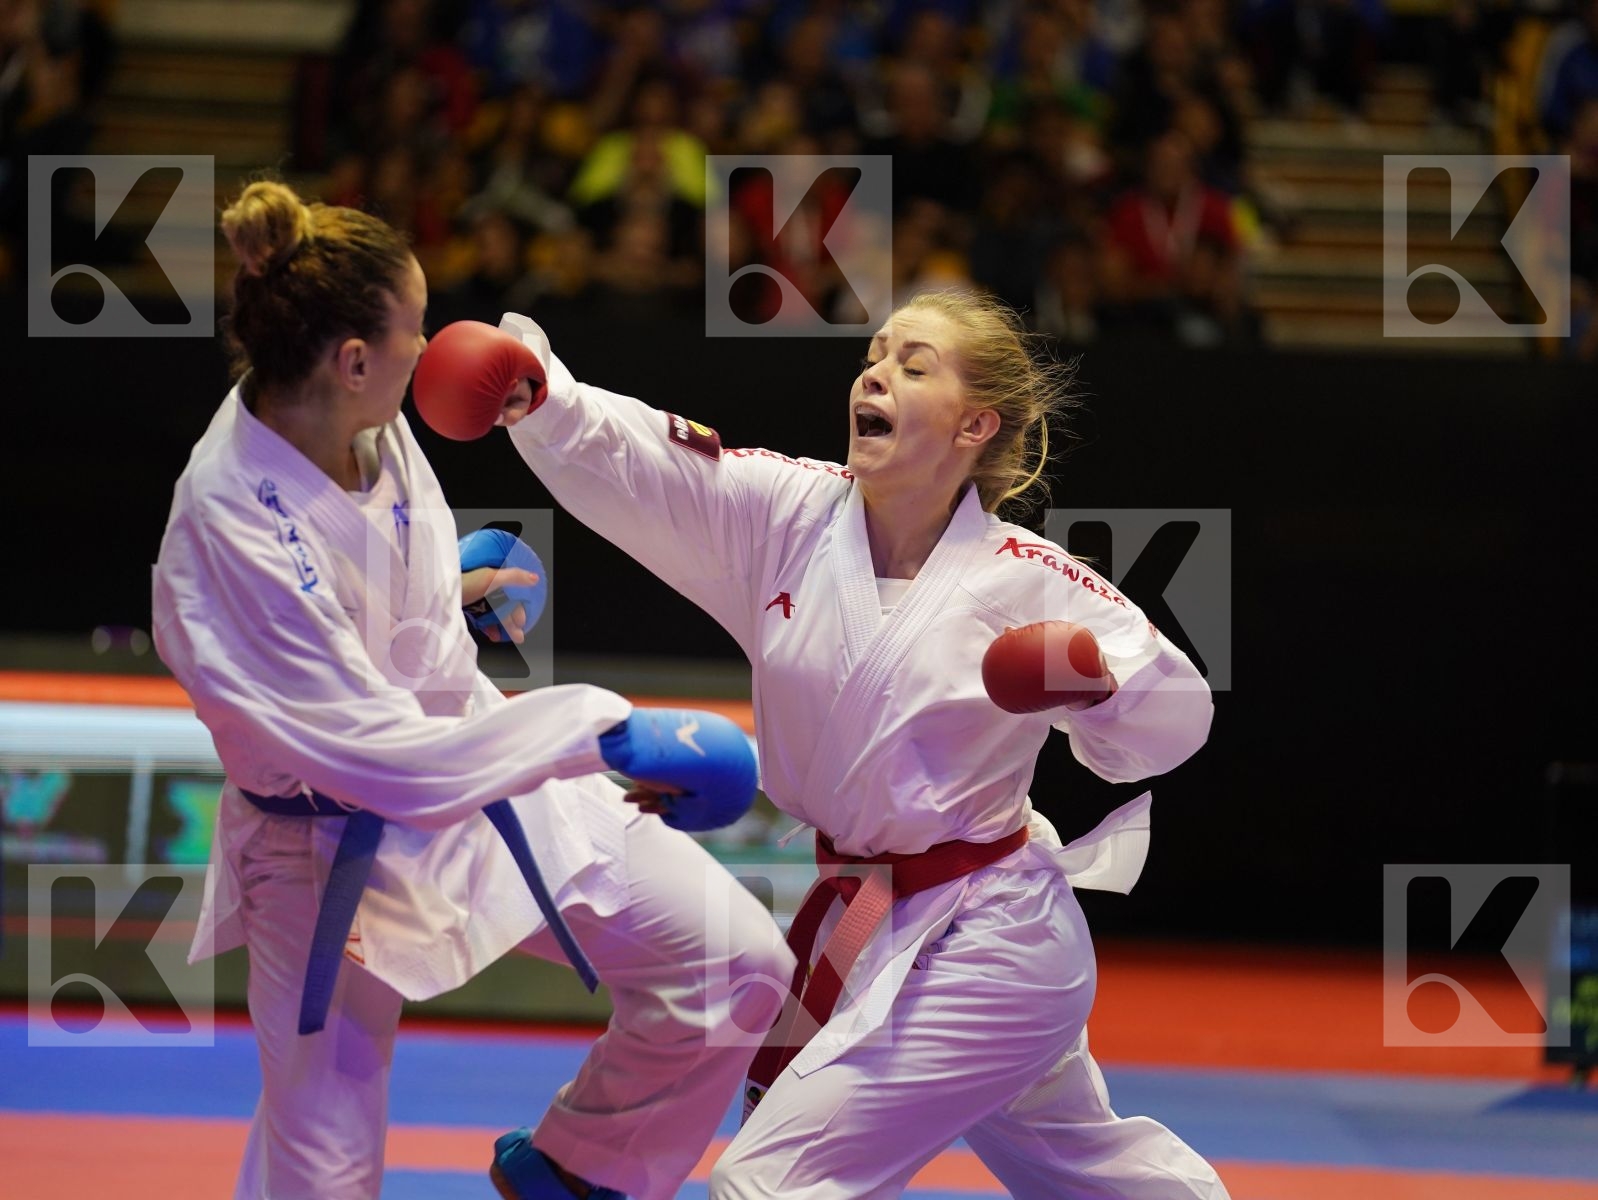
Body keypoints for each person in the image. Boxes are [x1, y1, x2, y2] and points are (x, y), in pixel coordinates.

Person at [413, 290, 1231, 1198]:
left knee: (768, 1185)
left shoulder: (1031, 579)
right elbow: (662, 468)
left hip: (990, 935)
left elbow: (1175, 718)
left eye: (913, 366)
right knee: (1090, 1169)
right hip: (868, 915)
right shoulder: (791, 514)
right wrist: (545, 399)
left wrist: (1098, 684)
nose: (875, 375)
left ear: (974, 425)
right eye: (873, 357)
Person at [150, 180, 792, 1200]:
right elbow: (383, 761)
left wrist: (445, 600)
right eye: (413, 329)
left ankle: (579, 1172)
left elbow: (357, 599)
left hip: (474, 763)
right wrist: (607, 733)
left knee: (734, 962)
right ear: (353, 359)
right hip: (325, 850)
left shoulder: (354, 413)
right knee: (323, 1178)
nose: (428, 346)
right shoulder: (229, 526)